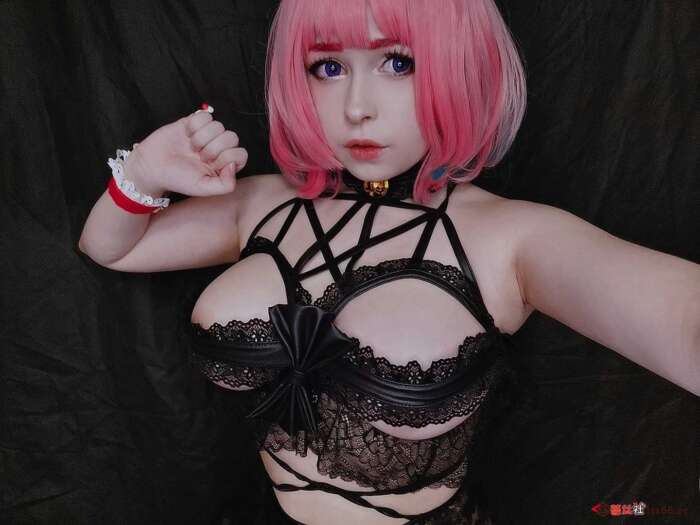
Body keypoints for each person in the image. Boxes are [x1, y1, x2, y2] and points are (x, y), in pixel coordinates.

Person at [77, 0, 700, 523]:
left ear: (458, 67)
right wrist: (144, 173)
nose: (357, 107)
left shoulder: (512, 238)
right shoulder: (263, 204)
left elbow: (681, 317)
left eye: (398, 62)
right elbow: (113, 247)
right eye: (327, 67)